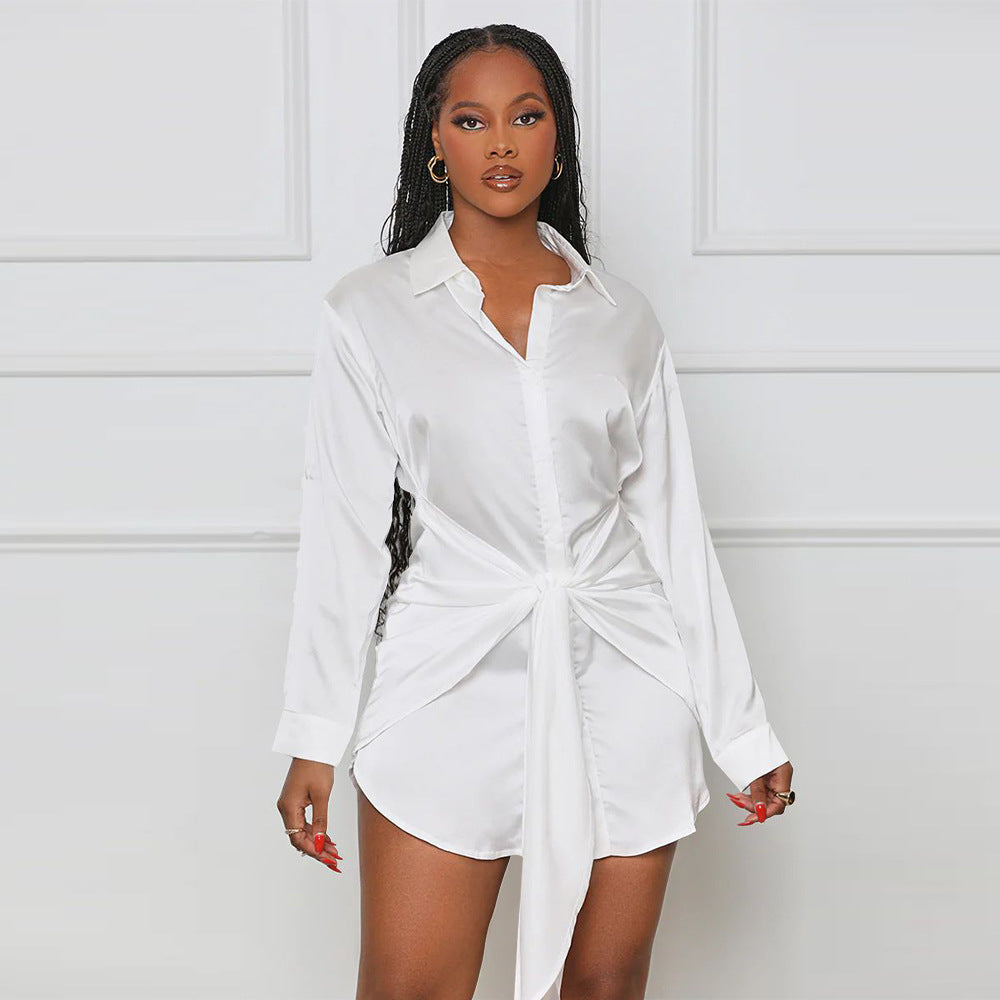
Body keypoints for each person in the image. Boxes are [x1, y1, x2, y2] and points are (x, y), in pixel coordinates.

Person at [272, 22, 796, 1000]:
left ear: (559, 137)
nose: (502, 144)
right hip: (447, 674)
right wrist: (314, 731)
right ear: (435, 142)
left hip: (624, 674)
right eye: (471, 121)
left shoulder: (621, 318)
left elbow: (672, 533)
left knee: (604, 986)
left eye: (527, 116)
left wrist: (744, 734)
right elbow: (343, 530)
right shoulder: (370, 311)